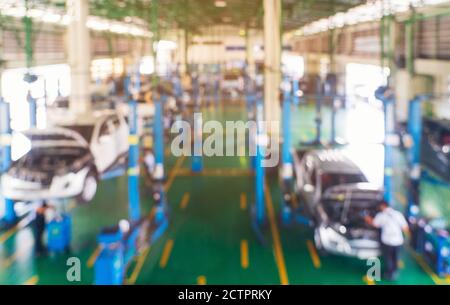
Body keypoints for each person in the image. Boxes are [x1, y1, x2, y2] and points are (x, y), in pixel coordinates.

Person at [365, 201, 410, 280]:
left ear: (382, 206)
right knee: (395, 257)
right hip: (398, 241)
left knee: (388, 258)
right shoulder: (398, 214)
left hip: (387, 242)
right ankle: (395, 271)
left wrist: (367, 218)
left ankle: (389, 274)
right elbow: (405, 228)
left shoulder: (381, 215)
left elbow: (374, 224)